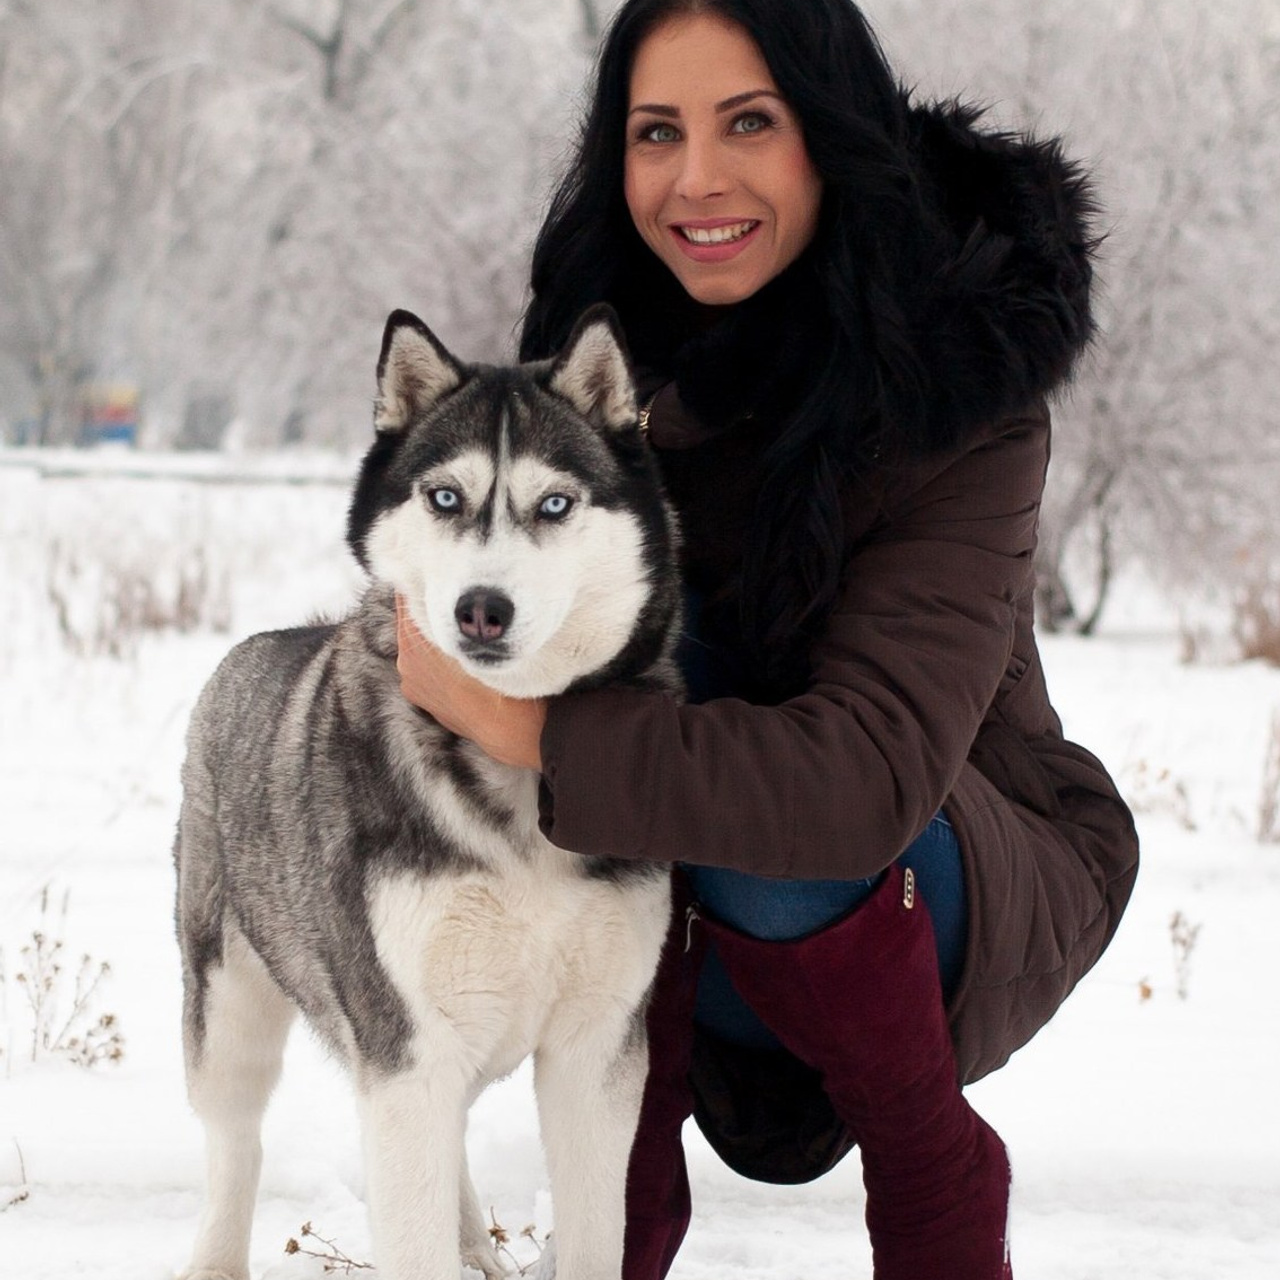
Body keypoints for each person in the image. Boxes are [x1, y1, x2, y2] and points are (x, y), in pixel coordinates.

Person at [395, 1, 1140, 1277]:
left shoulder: (959, 382)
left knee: (681, 717)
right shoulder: (595, 363)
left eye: (748, 123)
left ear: (829, 134)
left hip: (942, 867)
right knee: (606, 663)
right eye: (655, 132)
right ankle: (619, 1199)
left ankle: (930, 1163)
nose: (695, 179)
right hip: (682, 914)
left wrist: (532, 729)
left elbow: (853, 786)